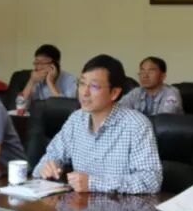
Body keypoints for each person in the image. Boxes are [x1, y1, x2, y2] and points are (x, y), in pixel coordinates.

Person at [33, 54, 162, 194]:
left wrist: (93, 183)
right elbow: (51, 156)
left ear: (114, 93)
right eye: (82, 83)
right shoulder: (76, 120)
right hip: (79, 204)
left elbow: (151, 181)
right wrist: (48, 167)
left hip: (120, 206)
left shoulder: (136, 125)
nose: (84, 93)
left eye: (94, 86)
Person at [117, 57, 183, 116]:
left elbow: (164, 119)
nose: (145, 76)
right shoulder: (136, 92)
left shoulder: (171, 93)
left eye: (151, 71)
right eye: (142, 71)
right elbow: (118, 110)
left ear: (163, 76)